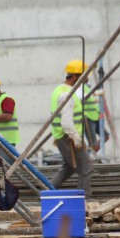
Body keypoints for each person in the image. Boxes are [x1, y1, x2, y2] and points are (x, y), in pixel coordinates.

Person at [49, 60, 93, 197]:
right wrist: (76, 137)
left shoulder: (62, 90)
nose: (86, 80)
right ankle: (84, 199)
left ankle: (48, 189)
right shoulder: (65, 94)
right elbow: (66, 122)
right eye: (84, 77)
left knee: (69, 167)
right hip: (68, 137)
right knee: (86, 168)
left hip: (64, 137)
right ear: (75, 76)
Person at [82, 81, 109, 157]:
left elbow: (91, 100)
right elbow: (83, 96)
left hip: (95, 117)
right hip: (87, 117)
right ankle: (88, 157)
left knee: (105, 136)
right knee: (93, 142)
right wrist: (97, 93)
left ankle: (89, 155)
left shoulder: (87, 86)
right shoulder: (80, 87)